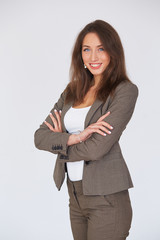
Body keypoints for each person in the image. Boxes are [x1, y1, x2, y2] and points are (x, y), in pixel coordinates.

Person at [34, 19, 138, 240]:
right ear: (80, 55)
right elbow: (40, 137)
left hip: (106, 198)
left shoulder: (124, 91)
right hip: (75, 197)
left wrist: (61, 141)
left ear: (113, 52)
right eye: (87, 49)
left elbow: (97, 149)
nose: (93, 57)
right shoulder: (72, 91)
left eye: (101, 49)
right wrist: (76, 137)